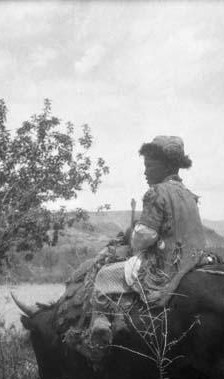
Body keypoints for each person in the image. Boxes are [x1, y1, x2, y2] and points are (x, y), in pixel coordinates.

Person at [71, 135, 207, 363]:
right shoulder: (188, 195)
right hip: (194, 258)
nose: (145, 172)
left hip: (167, 263)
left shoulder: (157, 192)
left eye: (149, 166)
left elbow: (145, 237)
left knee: (105, 275)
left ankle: (100, 332)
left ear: (166, 165)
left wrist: (131, 235)